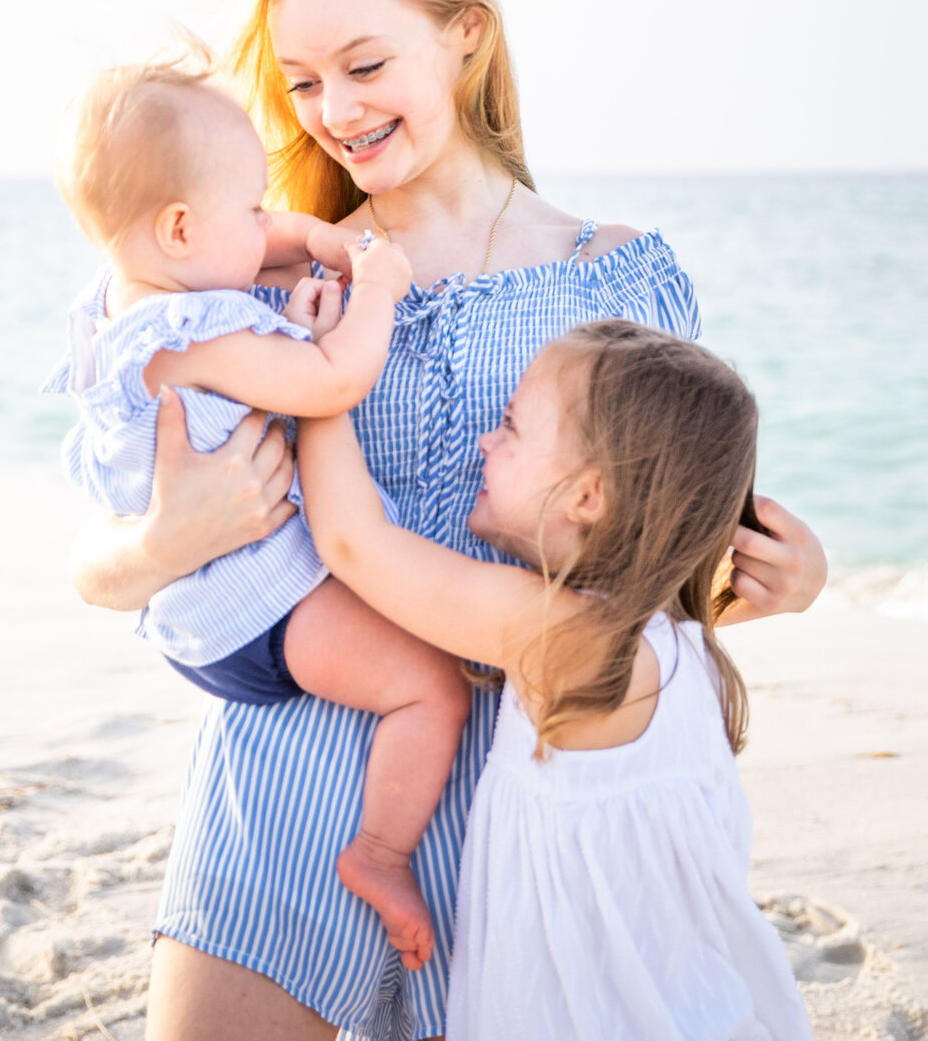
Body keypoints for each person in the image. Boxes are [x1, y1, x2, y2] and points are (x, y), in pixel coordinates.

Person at [66, 0, 830, 1040]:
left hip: (516, 805)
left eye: (366, 66)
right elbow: (98, 557)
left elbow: (643, 573)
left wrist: (778, 581)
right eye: (304, 79)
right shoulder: (241, 270)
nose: (332, 110)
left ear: (465, 35)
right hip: (289, 767)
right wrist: (157, 545)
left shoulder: (618, 276)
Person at [44, 59, 471, 968]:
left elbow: (260, 242)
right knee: (429, 688)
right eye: (252, 207)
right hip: (260, 608)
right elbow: (331, 380)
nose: (271, 226)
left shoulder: (129, 294)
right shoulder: (193, 336)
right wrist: (380, 290)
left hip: (196, 614)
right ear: (181, 227)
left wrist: (310, 236)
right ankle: (382, 854)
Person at [300, 319, 812, 1040]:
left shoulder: (565, 641)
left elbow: (354, 542)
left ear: (588, 496)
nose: (486, 438)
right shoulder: (678, 639)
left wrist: (322, 379)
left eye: (509, 424)